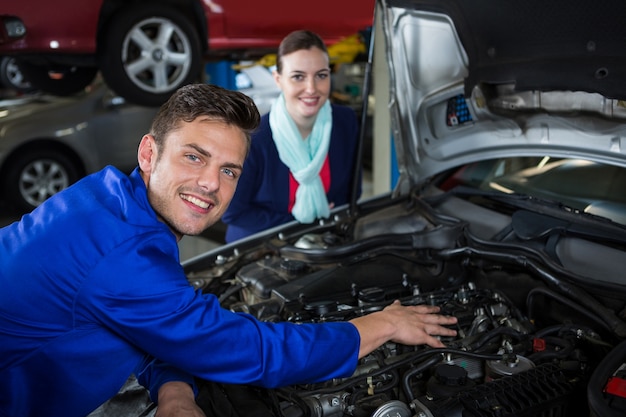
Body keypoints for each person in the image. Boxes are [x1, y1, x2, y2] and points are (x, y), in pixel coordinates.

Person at [0, 83, 457, 417]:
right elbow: (253, 351)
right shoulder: (122, 254)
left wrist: (174, 390)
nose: (210, 185)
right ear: (148, 154)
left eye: (230, 170)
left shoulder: (109, 199)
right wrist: (379, 324)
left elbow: (142, 324)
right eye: (194, 156)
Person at [222, 30, 362, 242]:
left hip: (324, 243)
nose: (311, 88)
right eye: (298, 77)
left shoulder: (345, 122)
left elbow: (352, 193)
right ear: (278, 80)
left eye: (321, 75)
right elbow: (233, 212)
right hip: (260, 250)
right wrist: (306, 223)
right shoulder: (254, 139)